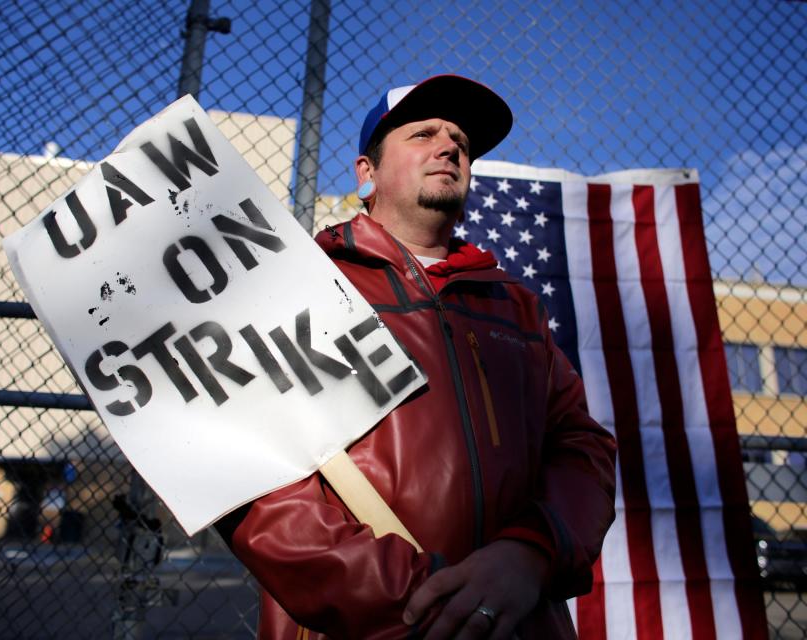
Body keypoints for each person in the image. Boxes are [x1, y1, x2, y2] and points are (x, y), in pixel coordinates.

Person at [217, 75, 617, 639]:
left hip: (519, 622)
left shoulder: (517, 307)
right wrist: (419, 602)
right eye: (424, 133)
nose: (450, 146)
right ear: (366, 173)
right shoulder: (301, 282)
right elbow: (253, 474)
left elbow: (583, 449)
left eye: (460, 140)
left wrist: (532, 551)